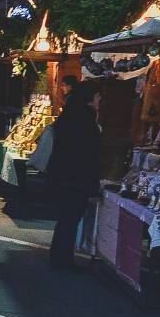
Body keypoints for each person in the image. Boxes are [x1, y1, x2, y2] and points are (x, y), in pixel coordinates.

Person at [46, 78, 103, 269]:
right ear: (90, 97)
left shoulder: (70, 115)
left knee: (65, 219)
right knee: (70, 219)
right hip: (76, 177)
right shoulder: (85, 120)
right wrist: (93, 182)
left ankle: (59, 258)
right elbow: (89, 154)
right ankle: (63, 261)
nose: (99, 100)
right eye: (97, 96)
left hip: (62, 174)